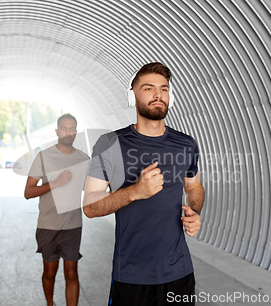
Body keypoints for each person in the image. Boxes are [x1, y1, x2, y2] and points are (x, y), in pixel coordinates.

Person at [83, 62, 205, 306]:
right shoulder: (110, 144)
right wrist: (135, 192)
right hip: (131, 275)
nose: (158, 94)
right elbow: (90, 206)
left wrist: (194, 210)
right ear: (133, 95)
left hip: (179, 272)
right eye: (148, 88)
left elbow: (193, 187)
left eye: (164, 89)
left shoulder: (186, 144)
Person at [24, 114, 90, 306]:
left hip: (72, 225)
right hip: (48, 225)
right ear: (57, 131)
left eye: (71, 129)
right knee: (50, 272)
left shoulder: (83, 159)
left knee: (71, 272)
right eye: (64, 128)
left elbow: (92, 188)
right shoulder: (43, 157)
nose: (68, 132)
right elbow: (28, 192)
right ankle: (50, 303)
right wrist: (55, 183)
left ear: (76, 132)